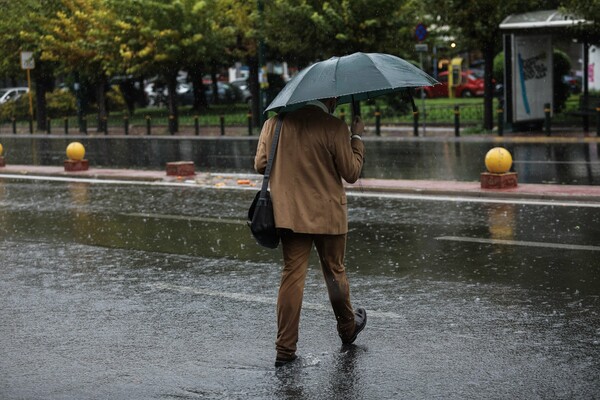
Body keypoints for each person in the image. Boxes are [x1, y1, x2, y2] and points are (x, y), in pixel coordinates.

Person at [254, 97, 367, 367]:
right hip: (328, 214)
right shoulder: (335, 127)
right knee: (334, 271)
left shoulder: (274, 123)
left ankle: (285, 348)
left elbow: (260, 164)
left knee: (292, 275)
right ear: (328, 98)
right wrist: (357, 138)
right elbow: (351, 172)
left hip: (290, 213)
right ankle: (347, 328)